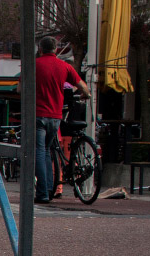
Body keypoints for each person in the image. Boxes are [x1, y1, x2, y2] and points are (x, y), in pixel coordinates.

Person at [34, 36, 90, 204]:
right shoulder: (65, 66)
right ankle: (50, 189)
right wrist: (85, 95)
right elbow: (83, 87)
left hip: (38, 114)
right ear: (56, 50)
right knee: (47, 151)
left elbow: (21, 89)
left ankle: (44, 193)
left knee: (40, 151)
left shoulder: (34, 65)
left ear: (40, 49)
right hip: (56, 116)